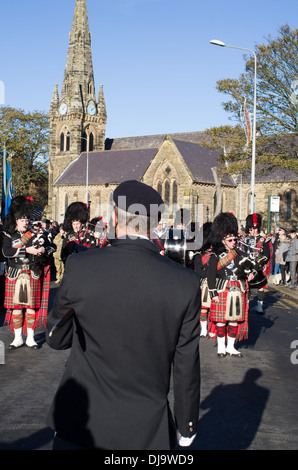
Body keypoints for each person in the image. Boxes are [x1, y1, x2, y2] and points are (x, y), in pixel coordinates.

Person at [46, 180, 201, 450]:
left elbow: (56, 338)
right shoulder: (184, 282)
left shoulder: (81, 266)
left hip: (80, 423)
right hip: (146, 430)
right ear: (156, 223)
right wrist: (186, 424)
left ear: (115, 217)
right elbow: (186, 364)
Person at [2, 196, 54, 350]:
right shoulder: (8, 235)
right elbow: (7, 252)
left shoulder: (35, 234)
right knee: (16, 308)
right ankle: (17, 338)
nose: (25, 222)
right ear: (15, 220)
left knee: (31, 308)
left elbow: (51, 247)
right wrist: (27, 249)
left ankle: (30, 338)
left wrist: (44, 250)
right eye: (22, 219)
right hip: (15, 273)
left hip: (32, 273)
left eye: (26, 219)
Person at [206, 213, 257, 358]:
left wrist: (251, 273)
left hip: (238, 289)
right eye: (230, 240)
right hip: (223, 289)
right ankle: (221, 347)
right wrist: (213, 294)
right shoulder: (216, 256)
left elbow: (251, 268)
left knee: (234, 321)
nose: (234, 242)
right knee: (221, 321)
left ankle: (231, 347)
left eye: (235, 239)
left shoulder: (240, 254)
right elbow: (211, 277)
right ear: (223, 241)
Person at [242, 213, 271, 314]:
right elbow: (243, 252)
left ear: (258, 228)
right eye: (251, 229)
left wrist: (261, 261)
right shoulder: (245, 240)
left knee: (260, 287)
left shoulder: (264, 240)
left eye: (254, 229)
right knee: (247, 286)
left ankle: (260, 306)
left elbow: (267, 253)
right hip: (248, 266)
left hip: (259, 266)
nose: (253, 231)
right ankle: (247, 305)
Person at [193, 222, 213, 337]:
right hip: (204, 283)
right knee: (204, 308)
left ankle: (211, 328)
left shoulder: (218, 254)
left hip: (216, 283)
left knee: (214, 309)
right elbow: (198, 271)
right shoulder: (199, 254)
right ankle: (204, 328)